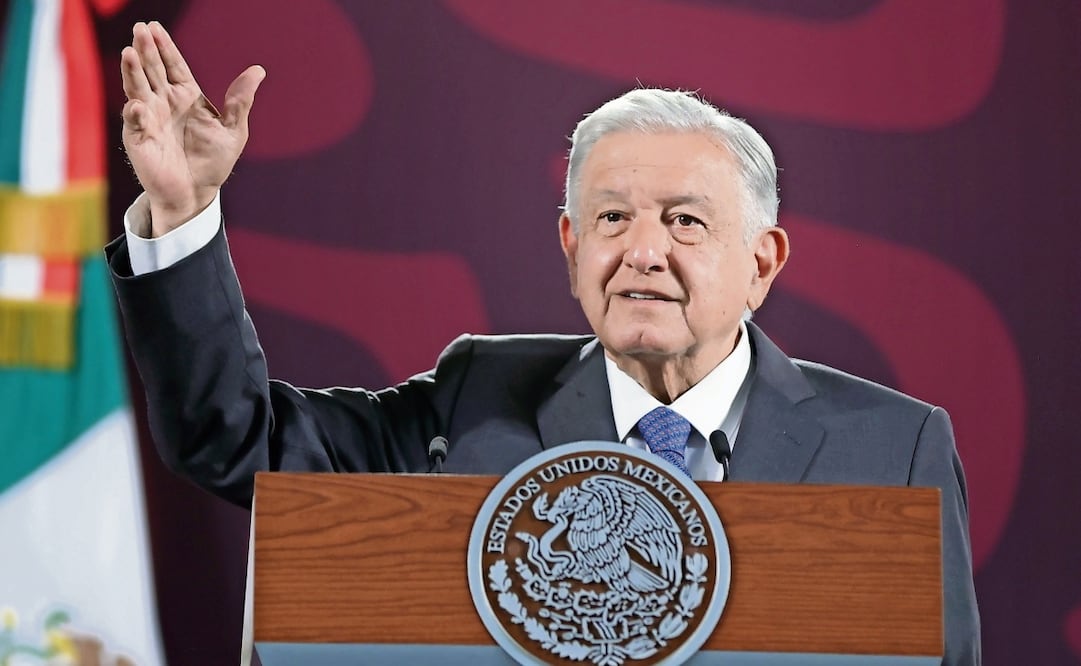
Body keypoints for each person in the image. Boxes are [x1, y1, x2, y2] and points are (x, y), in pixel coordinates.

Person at [106, 21, 980, 665]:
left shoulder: (893, 447)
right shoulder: (472, 399)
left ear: (761, 262)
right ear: (570, 247)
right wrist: (183, 213)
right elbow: (236, 439)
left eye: (683, 221)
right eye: (611, 219)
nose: (642, 251)